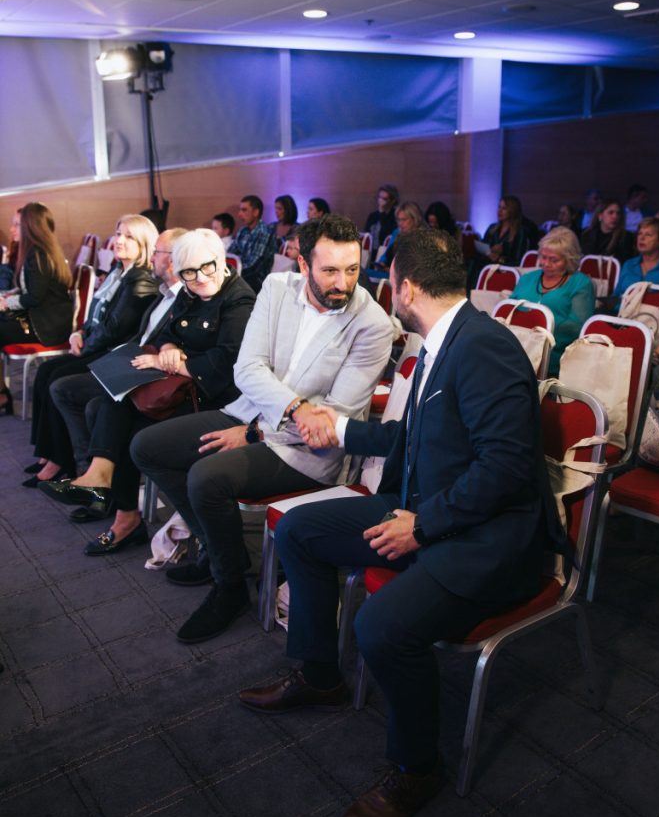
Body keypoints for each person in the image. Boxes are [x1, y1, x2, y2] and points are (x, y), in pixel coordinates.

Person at [238, 228, 564, 817]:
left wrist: (424, 526)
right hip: (430, 510)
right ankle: (320, 676)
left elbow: (506, 469)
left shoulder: (483, 348)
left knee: (380, 626)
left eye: (384, 280)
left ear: (405, 288)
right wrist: (340, 428)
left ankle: (417, 769)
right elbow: (412, 437)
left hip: (488, 540)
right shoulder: (445, 340)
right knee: (301, 530)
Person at [131, 215, 394, 644]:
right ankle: (221, 551)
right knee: (147, 447)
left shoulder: (373, 325)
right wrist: (273, 417)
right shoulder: (276, 288)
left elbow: (332, 420)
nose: (342, 283)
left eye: (352, 270)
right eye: (329, 270)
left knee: (206, 478)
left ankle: (229, 585)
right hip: (248, 412)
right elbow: (247, 368)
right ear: (303, 265)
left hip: (307, 452)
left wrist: (257, 433)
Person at [41, 229, 256, 555]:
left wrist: (172, 362)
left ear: (221, 260)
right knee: (107, 403)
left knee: (126, 427)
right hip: (183, 389)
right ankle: (113, 497)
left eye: (207, 267)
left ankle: (118, 499)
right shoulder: (190, 291)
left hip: (215, 399)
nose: (199, 278)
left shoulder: (239, 300)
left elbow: (224, 364)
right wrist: (168, 347)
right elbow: (168, 331)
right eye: (189, 273)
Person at [29, 228, 188, 501]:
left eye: (156, 252)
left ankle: (89, 477)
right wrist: (80, 334)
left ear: (173, 260)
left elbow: (117, 329)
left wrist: (95, 351)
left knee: (68, 389)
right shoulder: (155, 289)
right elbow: (110, 322)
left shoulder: (153, 286)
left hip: (147, 370)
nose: (151, 257)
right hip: (129, 359)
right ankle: (81, 472)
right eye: (118, 234)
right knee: (56, 378)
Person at [0, 202, 72, 415]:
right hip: (42, 318)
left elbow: (34, 297)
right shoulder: (37, 252)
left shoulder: (38, 255)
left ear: (29, 227)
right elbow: (29, 289)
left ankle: (2, 394)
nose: (12, 229)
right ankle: (2, 392)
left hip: (47, 325)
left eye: (17, 224)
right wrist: (8, 296)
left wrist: (5, 303)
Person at [510, 227, 595, 374]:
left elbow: (577, 327)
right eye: (543, 257)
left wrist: (538, 333)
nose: (546, 263)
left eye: (554, 260)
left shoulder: (581, 283)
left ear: (569, 259)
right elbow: (508, 311)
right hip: (517, 346)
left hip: (555, 353)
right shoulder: (527, 279)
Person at [613, 217, 659, 303]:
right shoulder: (628, 264)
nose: (641, 238)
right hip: (622, 310)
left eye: (648, 235)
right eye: (640, 233)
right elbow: (615, 296)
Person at [229, 194, 276, 293]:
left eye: (244, 210)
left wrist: (231, 273)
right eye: (240, 210)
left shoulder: (264, 232)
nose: (239, 214)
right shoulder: (242, 231)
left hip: (257, 281)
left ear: (255, 212)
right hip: (240, 275)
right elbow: (231, 254)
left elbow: (254, 266)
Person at [580, 198, 634, 263]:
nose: (615, 216)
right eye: (610, 213)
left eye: (618, 213)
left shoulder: (625, 237)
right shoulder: (587, 234)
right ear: (600, 216)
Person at [374, 201, 424, 270]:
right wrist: (382, 263)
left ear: (415, 219)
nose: (400, 223)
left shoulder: (423, 236)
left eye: (404, 219)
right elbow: (386, 255)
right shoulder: (397, 232)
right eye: (398, 220)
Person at [364, 184, 399, 255]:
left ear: (392, 200)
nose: (380, 200)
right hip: (371, 253)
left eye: (384, 199)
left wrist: (382, 213)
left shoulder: (396, 216)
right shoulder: (373, 216)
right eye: (379, 197)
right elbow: (367, 234)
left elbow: (388, 235)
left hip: (387, 253)